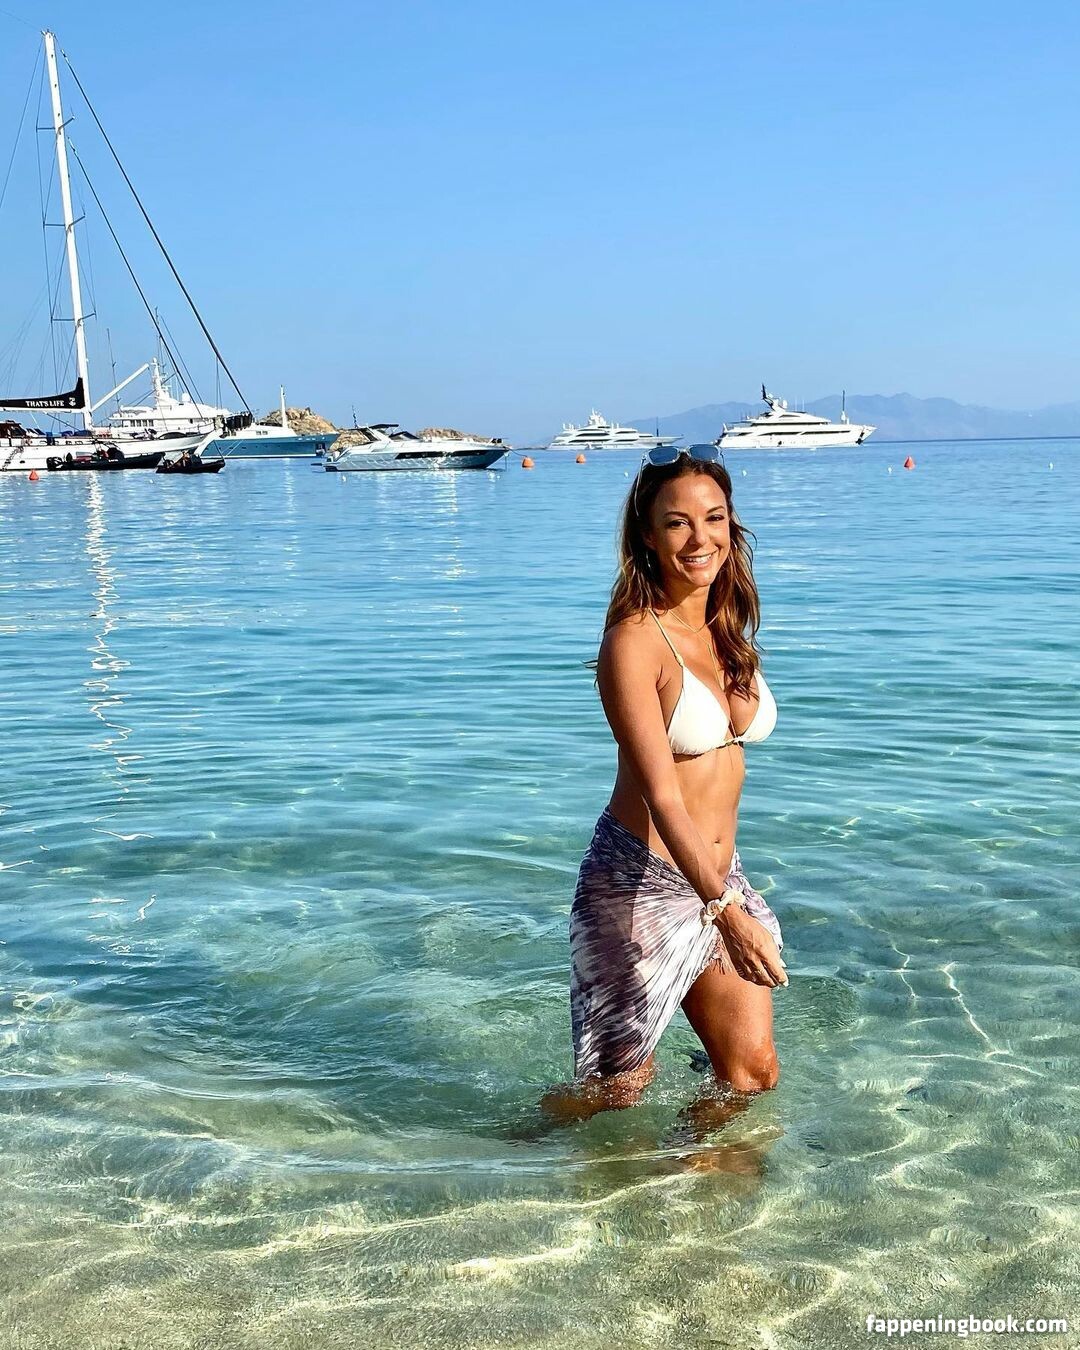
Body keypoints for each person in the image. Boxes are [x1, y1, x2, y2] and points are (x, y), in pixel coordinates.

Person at [545, 446, 787, 1123]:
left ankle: (690, 1182)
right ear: (647, 536)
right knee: (614, 1097)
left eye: (714, 517)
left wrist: (724, 895)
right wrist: (727, 912)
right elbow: (663, 795)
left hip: (716, 874)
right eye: (677, 522)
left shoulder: (724, 628)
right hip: (639, 882)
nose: (699, 537)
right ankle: (505, 1163)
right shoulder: (634, 641)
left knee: (749, 1076)